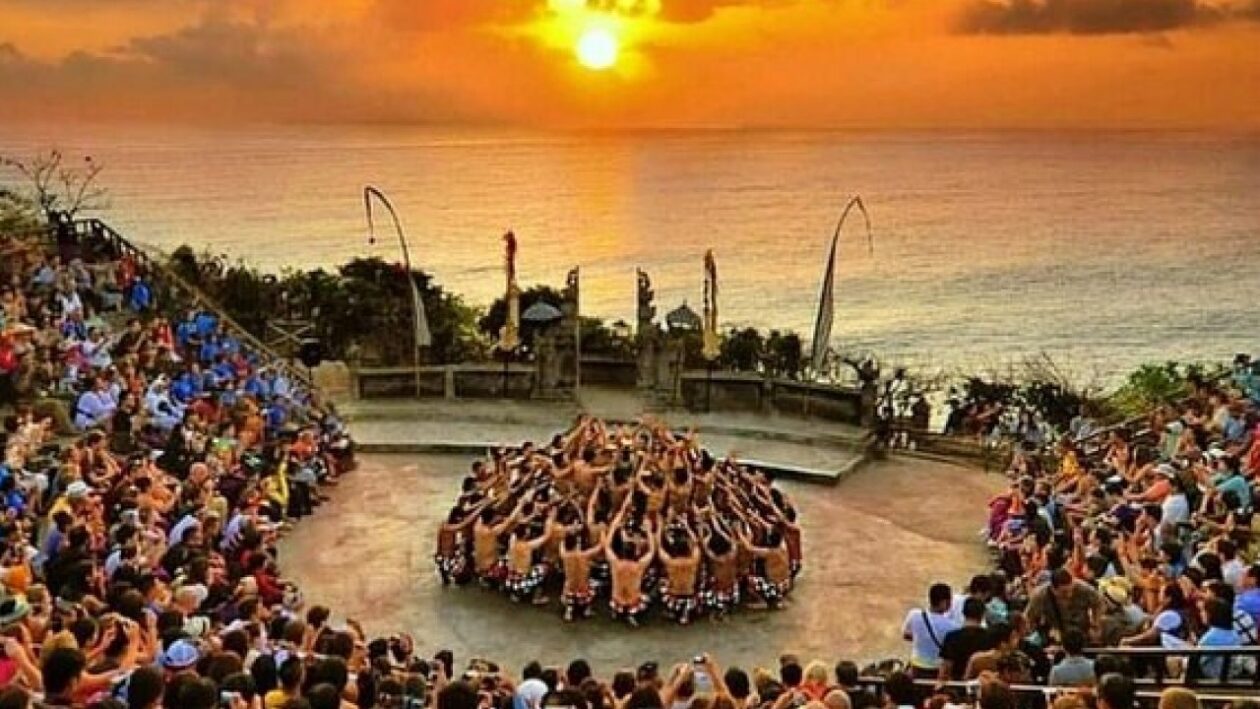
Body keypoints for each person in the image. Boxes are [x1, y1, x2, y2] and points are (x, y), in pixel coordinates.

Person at [1026, 568, 1104, 645]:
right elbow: (1028, 618)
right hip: (1055, 635)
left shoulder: (1084, 588)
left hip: (1081, 632)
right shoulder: (1040, 595)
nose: (1069, 595)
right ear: (1053, 589)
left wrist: (1095, 624)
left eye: (1071, 590)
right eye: (1064, 592)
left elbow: (1099, 603)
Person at [902, 583, 959, 681]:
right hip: (937, 671)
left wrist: (921, 638)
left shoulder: (914, 615)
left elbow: (906, 635)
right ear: (944, 602)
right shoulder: (952, 626)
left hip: (915, 667)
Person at [938, 597, 991, 683]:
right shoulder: (989, 637)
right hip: (981, 686)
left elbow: (945, 668)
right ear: (982, 615)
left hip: (956, 686)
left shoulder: (952, 637)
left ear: (963, 613)